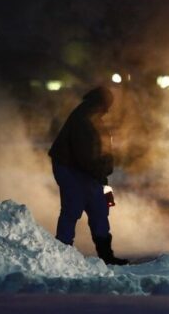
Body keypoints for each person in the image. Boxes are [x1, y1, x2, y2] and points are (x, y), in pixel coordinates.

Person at [48, 86, 128, 265]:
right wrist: (101, 172)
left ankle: (106, 255)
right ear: (100, 103)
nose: (108, 110)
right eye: (107, 106)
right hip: (70, 169)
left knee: (100, 209)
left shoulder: (94, 118)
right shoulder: (83, 119)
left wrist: (104, 174)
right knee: (72, 208)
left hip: (89, 172)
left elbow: (102, 151)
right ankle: (62, 253)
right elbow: (85, 155)